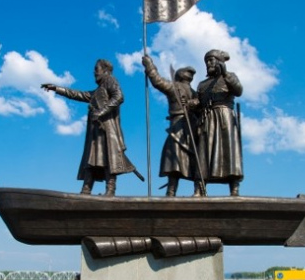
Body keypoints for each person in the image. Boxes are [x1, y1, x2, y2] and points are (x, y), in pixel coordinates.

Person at [42, 59, 140, 196]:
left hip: (107, 130)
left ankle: (110, 190)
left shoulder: (110, 80)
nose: (94, 72)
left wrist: (101, 111)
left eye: (96, 69)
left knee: (109, 158)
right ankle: (86, 189)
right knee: (92, 158)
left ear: (105, 71)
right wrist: (57, 89)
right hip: (96, 132)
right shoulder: (98, 91)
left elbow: (119, 97)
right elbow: (78, 94)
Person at [142, 55, 198, 197]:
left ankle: (173, 191)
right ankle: (195, 191)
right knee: (181, 158)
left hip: (182, 127)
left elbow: (157, 81)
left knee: (176, 158)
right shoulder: (192, 92)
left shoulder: (179, 88)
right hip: (189, 127)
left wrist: (149, 65)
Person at [195, 49, 243, 196]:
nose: (209, 63)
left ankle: (234, 188)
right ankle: (199, 188)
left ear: (220, 62)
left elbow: (238, 90)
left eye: (211, 60)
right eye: (207, 61)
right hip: (208, 119)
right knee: (204, 152)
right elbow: (199, 102)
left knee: (229, 150)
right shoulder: (202, 84)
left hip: (225, 117)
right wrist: (191, 103)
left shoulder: (229, 76)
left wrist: (226, 74)